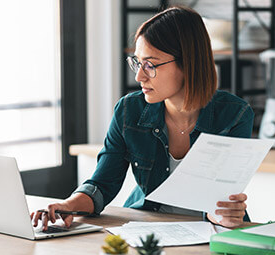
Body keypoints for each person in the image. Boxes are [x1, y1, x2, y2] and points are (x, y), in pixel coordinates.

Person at [32, 6, 254, 230]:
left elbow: (221, 201)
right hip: (146, 228)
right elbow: (102, 185)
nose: (139, 76)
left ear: (187, 63)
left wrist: (223, 214)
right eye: (137, 62)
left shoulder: (235, 115)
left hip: (211, 232)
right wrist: (67, 205)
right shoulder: (129, 110)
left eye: (150, 65)